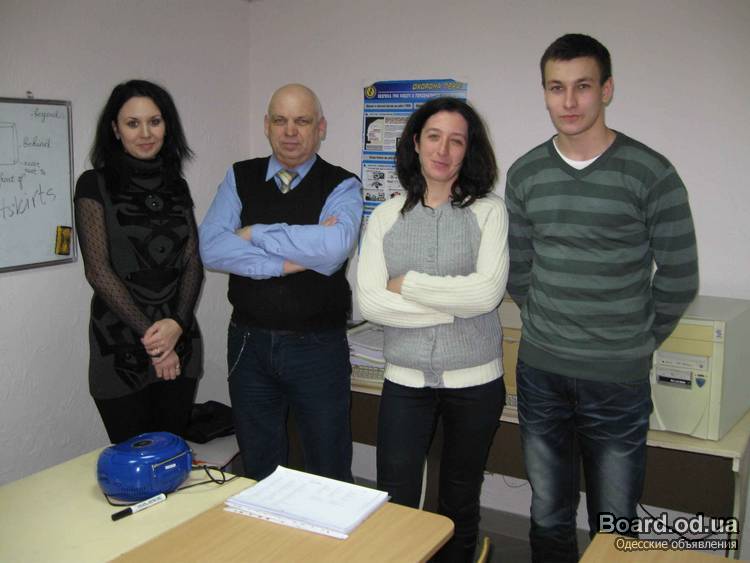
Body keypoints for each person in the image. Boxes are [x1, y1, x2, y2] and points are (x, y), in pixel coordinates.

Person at [504, 34, 699, 562]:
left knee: (614, 524)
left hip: (616, 381)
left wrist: (635, 340)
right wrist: (546, 321)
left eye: (582, 86)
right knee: (547, 514)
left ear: (606, 90)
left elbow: (680, 276)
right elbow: (518, 269)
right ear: (545, 93)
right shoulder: (525, 173)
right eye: (556, 88)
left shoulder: (650, 172)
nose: (568, 102)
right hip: (541, 373)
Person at [357, 96, 509, 562]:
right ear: (415, 143)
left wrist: (407, 285)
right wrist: (450, 309)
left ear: (469, 150)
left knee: (460, 499)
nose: (443, 150)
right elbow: (369, 302)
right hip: (405, 380)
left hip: (476, 381)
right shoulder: (385, 216)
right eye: (434, 137)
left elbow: (486, 295)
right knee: (396, 498)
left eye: (456, 141)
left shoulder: (489, 211)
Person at [199, 84, 362, 482]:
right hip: (248, 344)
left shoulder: (343, 184)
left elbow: (333, 248)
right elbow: (211, 249)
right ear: (266, 126)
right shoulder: (239, 176)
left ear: (320, 128)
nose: (290, 131)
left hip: (318, 346)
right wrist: (287, 263)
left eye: (302, 121)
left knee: (328, 467)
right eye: (280, 120)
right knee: (259, 466)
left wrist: (253, 232)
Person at [75, 79, 203, 444]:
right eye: (133, 123)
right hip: (120, 345)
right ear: (115, 130)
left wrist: (177, 325)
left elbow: (192, 260)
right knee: (134, 460)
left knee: (170, 456)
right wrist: (158, 343)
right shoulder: (93, 184)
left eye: (154, 121)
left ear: (167, 126)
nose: (145, 133)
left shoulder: (176, 184)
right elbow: (98, 270)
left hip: (180, 337)